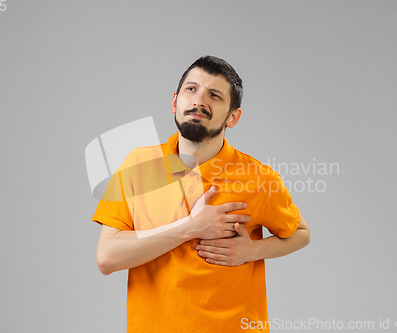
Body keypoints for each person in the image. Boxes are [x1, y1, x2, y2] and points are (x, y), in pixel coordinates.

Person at [91, 55, 310, 333]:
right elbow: (107, 257)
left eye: (215, 95)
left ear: (233, 116)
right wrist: (190, 227)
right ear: (175, 101)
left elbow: (301, 232)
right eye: (191, 89)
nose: (199, 101)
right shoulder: (137, 164)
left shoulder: (258, 177)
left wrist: (253, 250)